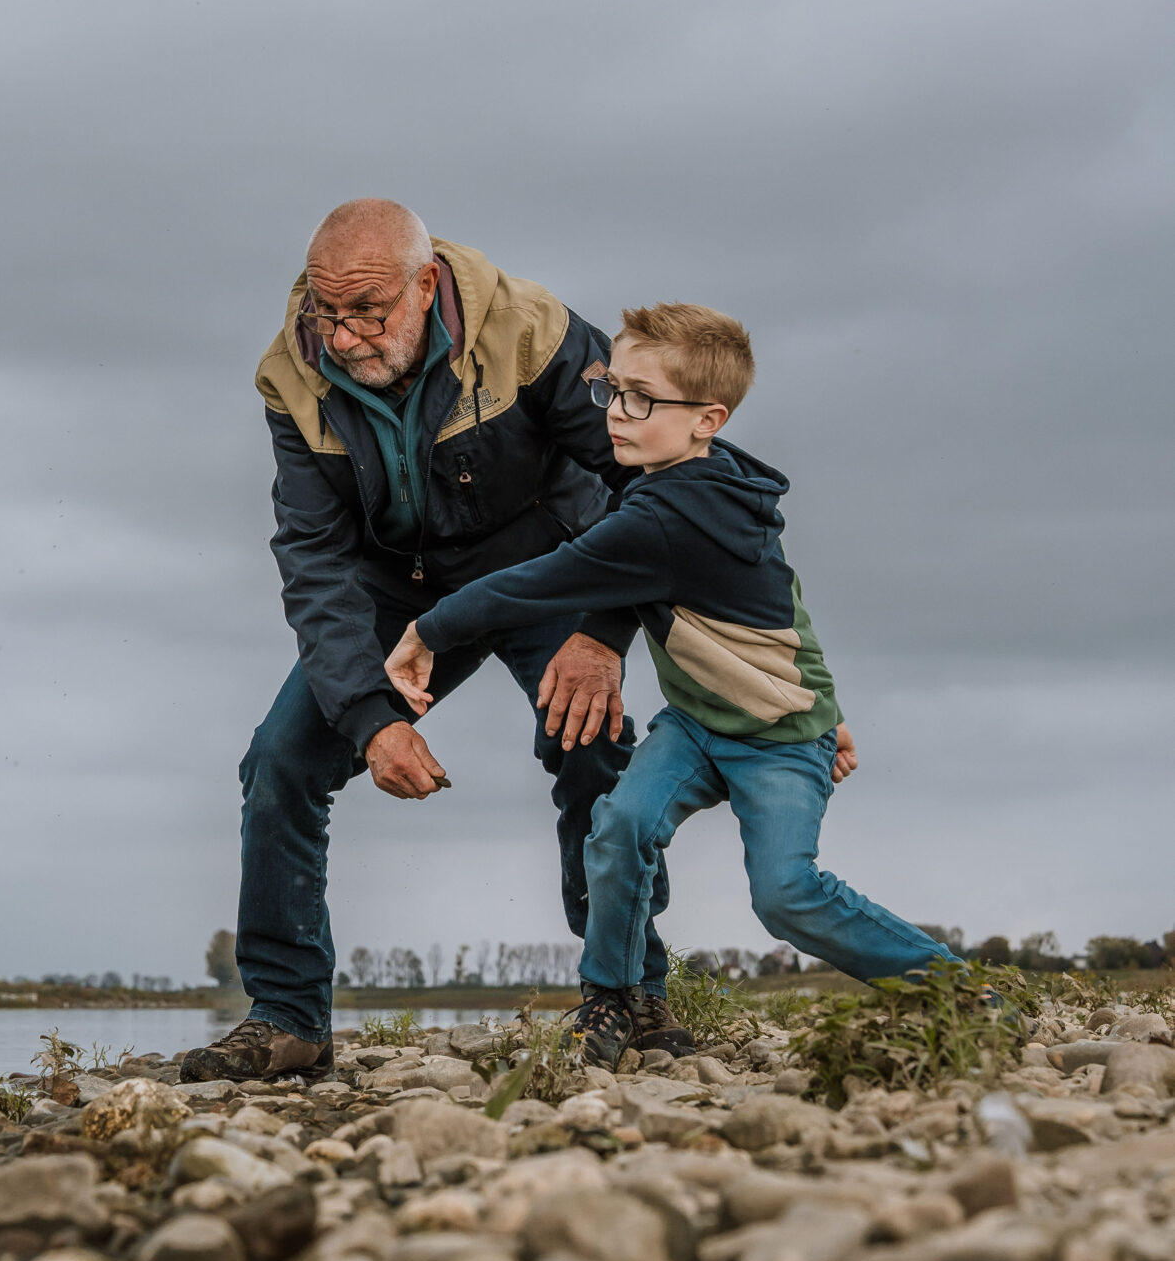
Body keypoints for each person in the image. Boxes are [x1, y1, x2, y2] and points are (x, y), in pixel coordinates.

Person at [180, 199, 686, 1085]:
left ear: (425, 287)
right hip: (398, 590)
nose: (342, 338)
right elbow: (314, 559)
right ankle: (290, 1016)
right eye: (326, 312)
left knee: (591, 740)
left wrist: (604, 634)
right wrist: (372, 718)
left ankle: (632, 995)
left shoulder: (536, 333)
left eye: (368, 312)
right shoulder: (292, 376)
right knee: (281, 763)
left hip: (547, 567)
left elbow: (656, 480)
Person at [386, 301, 948, 1066]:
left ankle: (957, 990)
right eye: (612, 390)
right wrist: (833, 706)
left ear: (705, 419)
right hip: (693, 726)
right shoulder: (701, 476)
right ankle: (614, 998)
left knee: (785, 896)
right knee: (619, 825)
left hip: (778, 743)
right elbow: (788, 606)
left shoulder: (672, 514)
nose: (616, 414)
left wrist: (426, 630)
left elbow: (541, 581)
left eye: (642, 399)